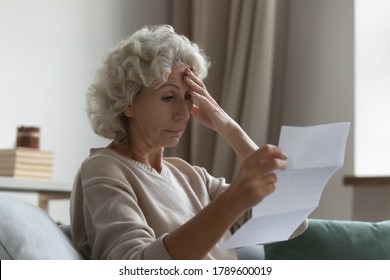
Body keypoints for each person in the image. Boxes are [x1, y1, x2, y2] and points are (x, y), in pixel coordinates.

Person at [70, 24, 307, 260]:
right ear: (127, 103)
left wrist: (228, 127)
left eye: (188, 97)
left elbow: (292, 220)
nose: (183, 113)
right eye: (168, 97)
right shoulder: (103, 169)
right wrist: (232, 201)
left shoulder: (191, 176)